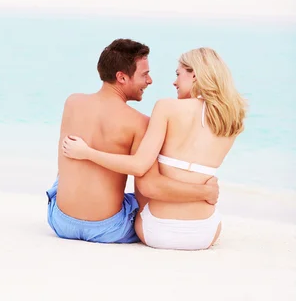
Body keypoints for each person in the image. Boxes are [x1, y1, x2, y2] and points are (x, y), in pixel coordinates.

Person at [62, 47, 247, 250]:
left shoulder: (167, 107)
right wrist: (204, 192)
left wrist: (87, 153)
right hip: (205, 232)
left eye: (178, 74)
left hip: (157, 230)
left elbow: (143, 174)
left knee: (143, 179)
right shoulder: (232, 120)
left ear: (194, 74)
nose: (174, 82)